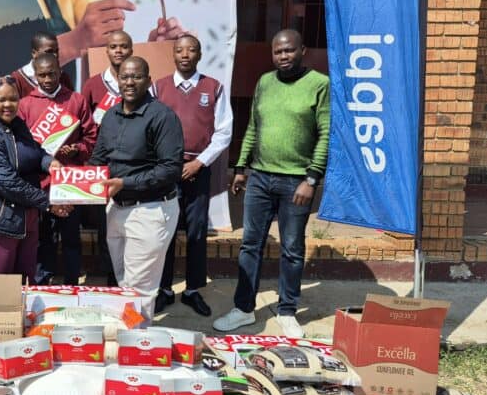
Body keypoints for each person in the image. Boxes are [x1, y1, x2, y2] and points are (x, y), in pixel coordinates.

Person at [212, 29, 330, 338]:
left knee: (291, 248)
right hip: (260, 178)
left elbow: (326, 134)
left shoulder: (319, 85)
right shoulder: (265, 82)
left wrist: (312, 178)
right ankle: (243, 309)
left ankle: (288, 309)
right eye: (278, 52)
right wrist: (241, 167)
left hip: (296, 182)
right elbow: (253, 126)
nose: (283, 56)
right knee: (251, 245)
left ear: (302, 50)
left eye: (289, 50)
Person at [88, 56, 183, 321]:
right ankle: (130, 341)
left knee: (138, 290)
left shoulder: (162, 117)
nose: (129, 82)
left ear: (148, 81)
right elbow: (98, 160)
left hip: (150, 210)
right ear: (117, 81)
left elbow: (170, 169)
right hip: (116, 209)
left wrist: (125, 183)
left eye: (137, 76)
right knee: (123, 282)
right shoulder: (111, 116)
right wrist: (74, 186)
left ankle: (138, 349)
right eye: (124, 77)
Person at [0, 76, 73, 281]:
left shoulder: (18, 125)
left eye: (13, 99)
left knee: (22, 285)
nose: (7, 105)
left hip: (24, 219)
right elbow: (7, 183)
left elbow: (35, 152)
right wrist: (48, 203)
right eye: (0, 100)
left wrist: (49, 163)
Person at [153, 34, 232, 317]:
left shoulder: (213, 87)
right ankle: (163, 289)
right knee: (165, 230)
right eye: (180, 50)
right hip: (166, 170)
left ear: (199, 55)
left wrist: (200, 162)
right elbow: (150, 128)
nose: (185, 54)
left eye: (191, 50)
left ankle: (192, 290)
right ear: (173, 55)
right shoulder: (158, 87)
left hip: (198, 168)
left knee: (197, 231)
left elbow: (224, 132)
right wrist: (165, 164)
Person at [18, 53, 96, 285]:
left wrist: (78, 148)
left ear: (60, 71)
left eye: (52, 73)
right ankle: (42, 283)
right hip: (39, 183)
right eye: (42, 75)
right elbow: (20, 145)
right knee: (42, 238)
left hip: (70, 181)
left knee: (71, 237)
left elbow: (92, 137)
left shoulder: (77, 100)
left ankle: (72, 283)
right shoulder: (25, 105)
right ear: (35, 75)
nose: (48, 79)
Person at [81, 30, 133, 285]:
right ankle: (109, 276)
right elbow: (85, 125)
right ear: (107, 51)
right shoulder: (93, 84)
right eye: (113, 46)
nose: (119, 51)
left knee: (128, 222)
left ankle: (124, 276)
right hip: (102, 166)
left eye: (123, 46)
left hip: (130, 165)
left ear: (131, 50)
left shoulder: (139, 82)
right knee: (106, 226)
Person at [12, 31, 75, 98]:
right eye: (49, 51)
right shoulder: (18, 80)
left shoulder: (63, 77)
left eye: (56, 51)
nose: (55, 55)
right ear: (34, 53)